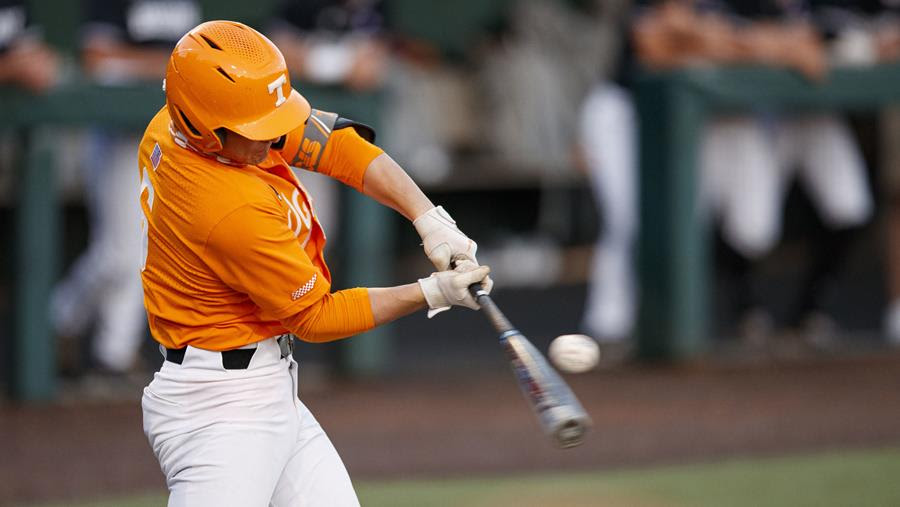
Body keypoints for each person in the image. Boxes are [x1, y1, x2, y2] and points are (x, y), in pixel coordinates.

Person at [139, 20, 491, 505]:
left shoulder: (179, 122)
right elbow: (316, 316)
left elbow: (336, 144)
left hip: (266, 387)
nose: (271, 137)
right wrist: (431, 292)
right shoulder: (226, 208)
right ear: (204, 128)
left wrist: (428, 217)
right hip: (218, 412)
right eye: (255, 129)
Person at [51, 0, 201, 380]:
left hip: (171, 135)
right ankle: (61, 323)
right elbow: (97, 59)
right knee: (118, 253)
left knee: (149, 246)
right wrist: (166, 66)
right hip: (117, 134)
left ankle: (111, 353)